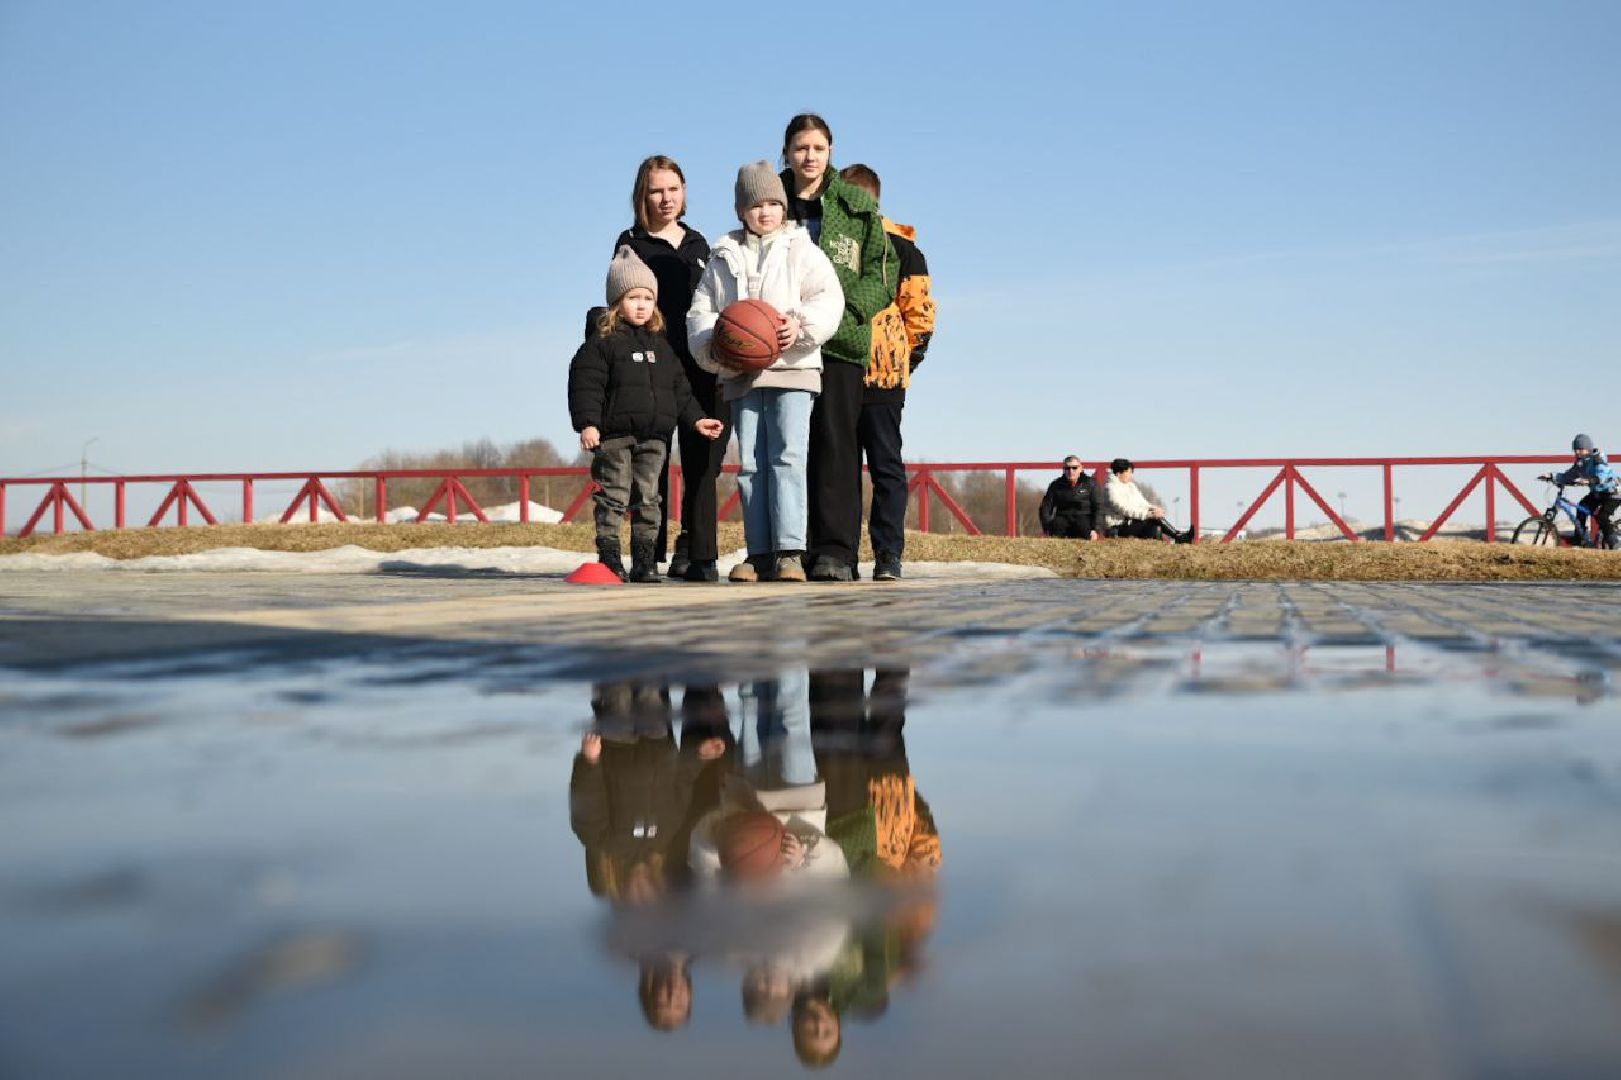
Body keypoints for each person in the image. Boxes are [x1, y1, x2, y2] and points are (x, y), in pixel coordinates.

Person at [689, 161, 843, 583]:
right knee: (753, 465)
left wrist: (801, 325)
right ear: (741, 210)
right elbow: (702, 312)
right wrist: (715, 346)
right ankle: (758, 553)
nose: (765, 212)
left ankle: (790, 551)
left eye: (774, 202)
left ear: (784, 207)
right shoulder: (723, 256)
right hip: (742, 374)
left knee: (789, 457)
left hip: (793, 369)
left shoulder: (801, 249)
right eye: (756, 204)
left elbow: (829, 297)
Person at [778, 114, 899, 582]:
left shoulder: (854, 205)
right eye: (800, 148)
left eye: (818, 148)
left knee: (836, 447)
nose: (809, 157)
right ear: (786, 151)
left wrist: (847, 315)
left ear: (831, 151)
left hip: (840, 344)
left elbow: (882, 272)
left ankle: (835, 551)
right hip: (782, 346)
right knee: (787, 449)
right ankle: (788, 549)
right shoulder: (768, 201)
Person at [569, 247, 724, 581]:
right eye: (632, 298)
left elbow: (680, 390)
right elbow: (586, 385)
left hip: (655, 438)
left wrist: (697, 419)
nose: (640, 305)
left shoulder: (661, 346)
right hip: (615, 437)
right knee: (614, 495)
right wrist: (588, 424)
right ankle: (609, 556)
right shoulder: (602, 343)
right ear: (616, 302)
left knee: (649, 498)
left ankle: (645, 561)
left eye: (647, 298)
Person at [610, 156, 725, 582]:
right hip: (651, 365)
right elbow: (620, 304)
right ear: (643, 194)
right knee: (649, 463)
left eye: (673, 189)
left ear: (684, 192)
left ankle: (696, 550)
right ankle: (647, 553)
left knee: (702, 461)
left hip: (699, 364)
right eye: (657, 190)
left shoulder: (700, 244)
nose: (665, 199)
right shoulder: (630, 243)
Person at [838, 164, 936, 583]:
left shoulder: (901, 247)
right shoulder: (838, 244)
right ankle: (866, 554)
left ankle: (886, 554)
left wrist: (901, 360)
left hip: (880, 369)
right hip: (849, 365)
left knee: (875, 465)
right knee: (865, 465)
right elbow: (923, 315)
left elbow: (918, 315)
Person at [1544, 433, 1620, 549]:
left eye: (1580, 449)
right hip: (1598, 493)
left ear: (1588, 448)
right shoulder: (1581, 462)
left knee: (1602, 516)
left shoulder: (1597, 458)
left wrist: (1590, 480)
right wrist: (1552, 476)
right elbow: (1569, 475)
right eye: (1575, 450)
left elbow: (1602, 473)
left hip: (1613, 492)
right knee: (1582, 508)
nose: (1577, 452)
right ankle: (1580, 538)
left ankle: (1614, 542)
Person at [1105, 458, 1193, 543]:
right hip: (1118, 527)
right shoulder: (1111, 488)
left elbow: (1142, 502)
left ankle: (1177, 537)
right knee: (1153, 519)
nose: (1130, 475)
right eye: (1128, 472)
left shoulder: (1130, 486)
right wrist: (1149, 514)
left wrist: (1154, 509)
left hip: (1131, 522)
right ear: (1118, 473)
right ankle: (1179, 536)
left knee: (1154, 524)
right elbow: (1124, 509)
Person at [1039, 456, 1104, 539]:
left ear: (1081, 468)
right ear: (1063, 469)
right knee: (1057, 527)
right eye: (1067, 468)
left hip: (1084, 518)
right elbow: (1046, 507)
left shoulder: (1091, 484)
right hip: (1062, 519)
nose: (1071, 471)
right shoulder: (1055, 485)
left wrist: (1096, 529)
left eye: (1074, 468)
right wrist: (1047, 528)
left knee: (1085, 530)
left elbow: (1099, 507)